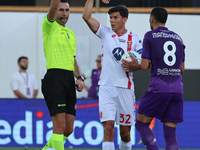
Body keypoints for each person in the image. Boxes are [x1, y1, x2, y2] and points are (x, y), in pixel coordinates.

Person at [82, 1, 143, 149]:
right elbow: (86, 16)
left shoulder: (135, 39)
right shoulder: (105, 33)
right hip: (106, 88)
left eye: (115, 17)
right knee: (108, 127)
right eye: (110, 18)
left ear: (124, 19)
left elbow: (145, 63)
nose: (112, 21)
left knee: (125, 133)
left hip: (125, 89)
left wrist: (137, 65)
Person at [135, 7, 185, 150]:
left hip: (159, 88)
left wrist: (134, 64)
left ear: (151, 19)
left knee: (141, 124)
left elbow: (144, 66)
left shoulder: (150, 36)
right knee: (170, 136)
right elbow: (181, 69)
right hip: (177, 90)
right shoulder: (178, 38)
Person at [41, 0, 84, 150]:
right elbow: (53, 6)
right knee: (59, 126)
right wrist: (55, 4)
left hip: (68, 79)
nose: (64, 13)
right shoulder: (49, 26)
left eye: (67, 10)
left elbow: (72, 59)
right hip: (54, 78)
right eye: (61, 10)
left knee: (68, 129)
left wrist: (79, 78)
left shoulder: (71, 34)